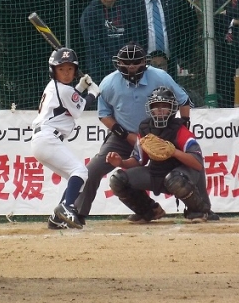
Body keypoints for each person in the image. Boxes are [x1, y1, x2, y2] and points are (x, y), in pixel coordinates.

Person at [69, 42, 191, 225]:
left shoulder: (160, 77)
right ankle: (79, 214)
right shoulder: (109, 83)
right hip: (124, 137)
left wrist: (184, 126)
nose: (131, 66)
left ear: (145, 61)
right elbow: (104, 115)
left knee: (187, 165)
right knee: (93, 170)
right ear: (118, 63)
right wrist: (128, 136)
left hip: (161, 135)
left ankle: (200, 208)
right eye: (126, 62)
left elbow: (183, 100)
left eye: (136, 62)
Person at [106, 87, 219, 222]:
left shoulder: (179, 129)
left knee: (175, 179)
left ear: (172, 108)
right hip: (156, 173)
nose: (159, 110)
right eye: (155, 106)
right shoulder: (145, 128)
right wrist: (121, 162)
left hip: (182, 173)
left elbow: (197, 163)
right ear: (150, 108)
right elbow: (138, 160)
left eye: (164, 106)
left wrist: (173, 152)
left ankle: (199, 210)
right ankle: (149, 211)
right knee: (117, 180)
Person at [31, 47, 100, 230]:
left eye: (70, 69)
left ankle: (57, 218)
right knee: (80, 171)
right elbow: (80, 107)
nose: (66, 73)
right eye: (61, 69)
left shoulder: (55, 87)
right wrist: (93, 92)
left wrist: (81, 87)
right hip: (47, 138)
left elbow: (70, 100)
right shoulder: (64, 90)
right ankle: (67, 207)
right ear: (53, 70)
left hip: (42, 140)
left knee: (75, 176)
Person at [123, 0, 199, 76]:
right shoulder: (130, 2)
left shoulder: (171, 1)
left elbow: (180, 29)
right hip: (140, 62)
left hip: (168, 62)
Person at [79, 0, 134, 83]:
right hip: (99, 71)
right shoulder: (90, 13)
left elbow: (132, 37)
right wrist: (112, 63)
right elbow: (92, 43)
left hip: (125, 69)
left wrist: (127, 60)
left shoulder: (124, 11)